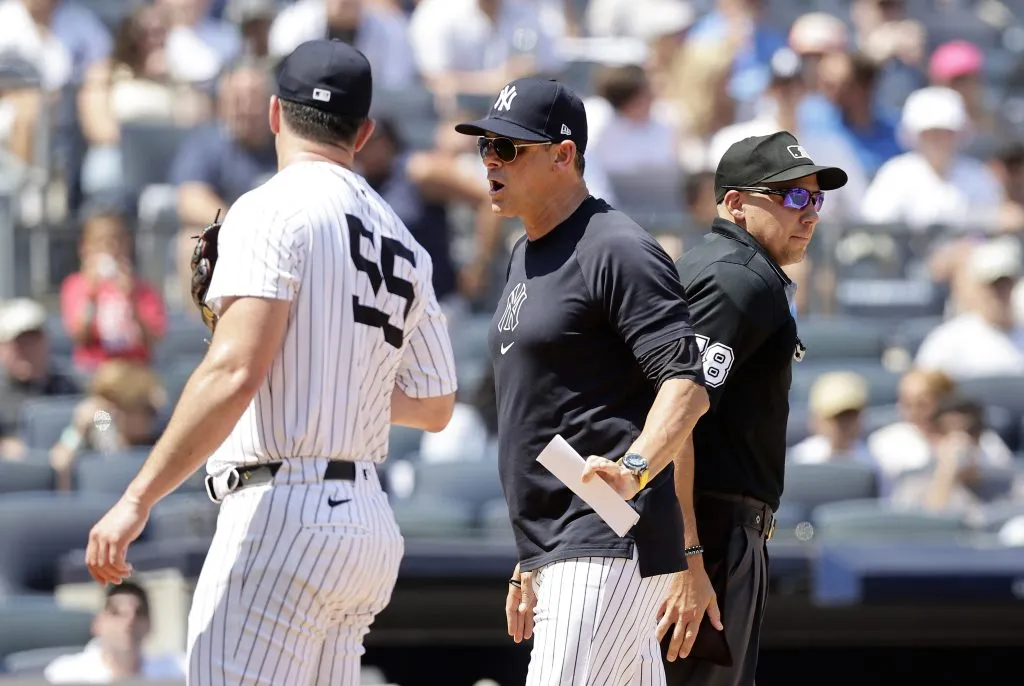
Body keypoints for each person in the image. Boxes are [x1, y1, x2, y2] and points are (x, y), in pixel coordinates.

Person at [83, 39, 458, 686]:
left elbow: (233, 372)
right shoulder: (403, 238)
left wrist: (136, 498)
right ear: (363, 132)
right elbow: (434, 404)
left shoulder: (269, 207)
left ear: (275, 115)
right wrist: (338, 374)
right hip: (366, 525)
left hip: (282, 515)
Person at [454, 77, 711, 685]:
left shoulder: (617, 247)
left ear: (563, 155)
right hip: (565, 544)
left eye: (509, 148)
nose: (490, 159)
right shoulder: (524, 252)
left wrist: (636, 469)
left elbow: (686, 388)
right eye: (485, 146)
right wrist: (530, 559)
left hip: (604, 534)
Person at [668, 130, 848, 685]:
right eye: (792, 196)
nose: (809, 212)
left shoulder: (723, 267)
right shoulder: (738, 279)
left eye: (815, 198)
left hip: (704, 522)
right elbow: (674, 416)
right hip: (711, 527)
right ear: (736, 204)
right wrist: (689, 554)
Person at [44, 581, 185, 683]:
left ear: (150, 624)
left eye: (139, 613)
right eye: (116, 612)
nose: (130, 620)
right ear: (97, 624)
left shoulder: (178, 670)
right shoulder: (67, 675)